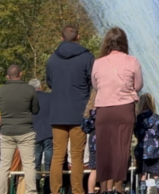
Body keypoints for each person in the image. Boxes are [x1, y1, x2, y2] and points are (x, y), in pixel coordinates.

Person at [91, 27, 143, 194]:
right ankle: (119, 187)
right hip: (124, 108)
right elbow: (138, 85)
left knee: (104, 148)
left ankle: (104, 188)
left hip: (104, 109)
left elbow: (95, 85)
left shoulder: (98, 63)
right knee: (122, 148)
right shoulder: (132, 61)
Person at [46, 25, 95, 194]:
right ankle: (77, 191)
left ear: (61, 38)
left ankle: (54, 190)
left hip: (58, 112)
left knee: (58, 154)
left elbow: (50, 83)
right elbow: (93, 83)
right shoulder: (87, 57)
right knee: (77, 155)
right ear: (78, 37)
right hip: (78, 112)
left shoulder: (52, 59)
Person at [0, 65, 41, 194]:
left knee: (4, 166)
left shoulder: (1, 91)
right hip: (25, 130)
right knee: (29, 165)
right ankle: (31, 192)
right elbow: (36, 110)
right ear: (21, 74)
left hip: (7, 131)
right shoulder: (30, 89)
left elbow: (1, 108)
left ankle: (0, 192)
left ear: (7, 76)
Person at [134, 94, 159, 194]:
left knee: (142, 175)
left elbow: (135, 133)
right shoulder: (158, 118)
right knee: (157, 175)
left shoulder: (137, 119)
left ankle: (142, 192)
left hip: (142, 150)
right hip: (155, 150)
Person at [29, 79, 53, 194]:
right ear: (41, 86)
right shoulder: (50, 97)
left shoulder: (28, 100)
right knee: (49, 164)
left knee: (36, 165)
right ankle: (48, 189)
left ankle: (36, 189)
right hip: (49, 132)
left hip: (34, 134)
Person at [81, 94, 98, 194]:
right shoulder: (106, 108)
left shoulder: (90, 110)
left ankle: (90, 192)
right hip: (106, 139)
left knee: (94, 169)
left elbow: (85, 127)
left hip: (93, 140)